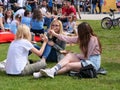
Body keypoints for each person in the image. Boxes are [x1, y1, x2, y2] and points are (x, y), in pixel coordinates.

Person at [33, 22, 102, 78]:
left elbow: (86, 56)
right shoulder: (82, 38)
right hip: (85, 60)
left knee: (69, 65)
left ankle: (46, 73)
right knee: (69, 55)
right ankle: (52, 70)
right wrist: (55, 34)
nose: (78, 33)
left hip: (92, 63)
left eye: (79, 31)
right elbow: (67, 38)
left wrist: (76, 54)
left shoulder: (93, 39)